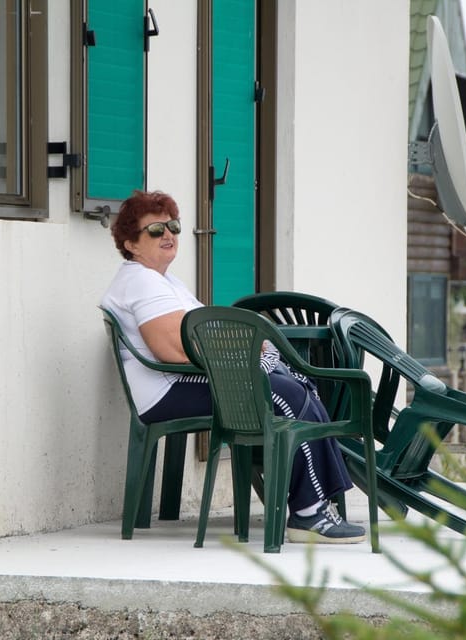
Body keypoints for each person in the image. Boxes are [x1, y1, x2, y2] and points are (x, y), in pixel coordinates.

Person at [101, 189, 366, 544]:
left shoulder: (164, 281)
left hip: (185, 381)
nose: (169, 235)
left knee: (299, 387)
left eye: (173, 226)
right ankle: (308, 513)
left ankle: (317, 504)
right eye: (155, 230)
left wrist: (251, 351)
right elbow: (171, 349)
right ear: (131, 243)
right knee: (285, 395)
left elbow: (204, 334)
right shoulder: (141, 280)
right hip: (166, 390)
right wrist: (246, 355)